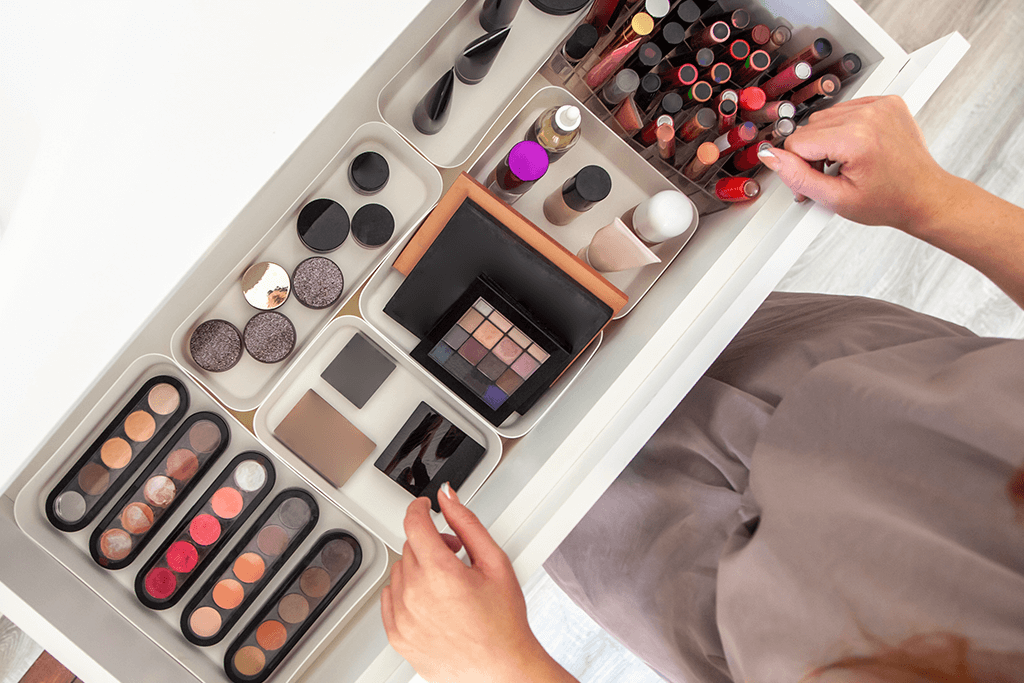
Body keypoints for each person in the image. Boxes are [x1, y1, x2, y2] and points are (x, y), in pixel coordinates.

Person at [380, 96, 1024, 683]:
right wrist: (937, 200)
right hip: (851, 373)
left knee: (499, 435)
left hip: (684, 581)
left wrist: (506, 668)